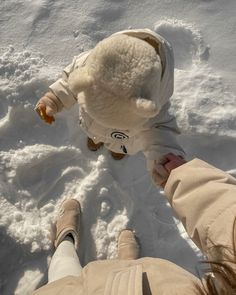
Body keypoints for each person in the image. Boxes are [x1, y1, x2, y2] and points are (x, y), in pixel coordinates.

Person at [32, 154, 236, 295]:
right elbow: (227, 221)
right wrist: (188, 181)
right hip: (156, 285)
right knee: (136, 273)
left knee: (62, 273)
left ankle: (65, 239)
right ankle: (127, 263)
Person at [35, 29, 185, 186]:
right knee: (95, 133)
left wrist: (165, 160)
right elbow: (69, 83)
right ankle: (97, 139)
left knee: (119, 146)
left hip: (125, 139)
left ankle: (117, 150)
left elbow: (161, 134)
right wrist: (53, 99)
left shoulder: (152, 104)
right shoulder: (90, 64)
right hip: (92, 125)